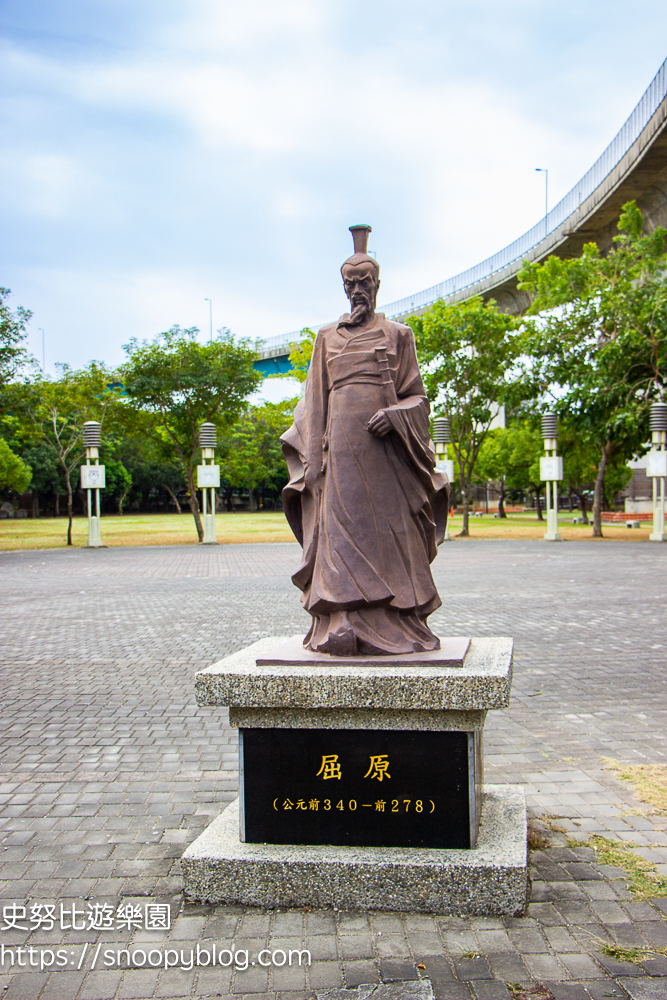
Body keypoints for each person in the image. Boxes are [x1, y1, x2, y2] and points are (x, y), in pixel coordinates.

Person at [281, 225, 449, 656]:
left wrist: (396, 416)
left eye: (365, 283)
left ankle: (398, 621)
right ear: (343, 287)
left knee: (391, 533)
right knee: (340, 534)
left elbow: (418, 396)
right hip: (338, 452)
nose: (358, 290)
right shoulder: (325, 337)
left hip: (386, 454)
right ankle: (341, 620)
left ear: (377, 285)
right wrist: (314, 462)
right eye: (351, 284)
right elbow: (315, 400)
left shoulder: (399, 335)